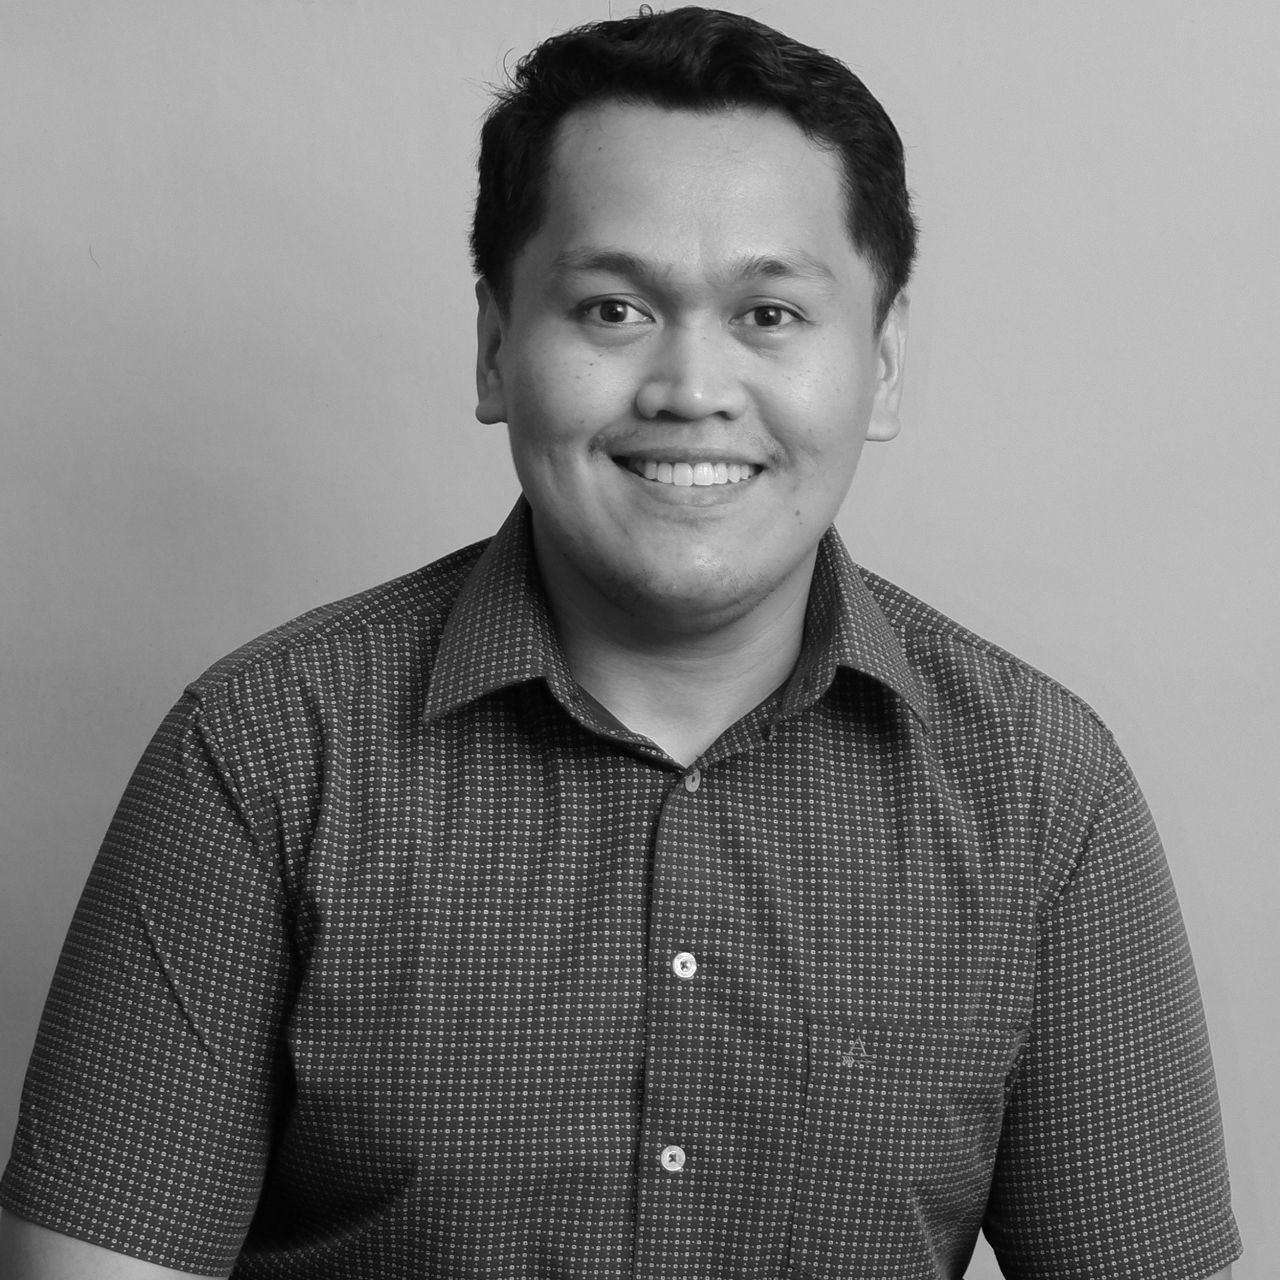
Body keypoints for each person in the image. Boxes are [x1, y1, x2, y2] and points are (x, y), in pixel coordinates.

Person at [0, 6, 1242, 1278]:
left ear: (880, 362)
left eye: (769, 313)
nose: (690, 387)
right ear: (496, 346)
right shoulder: (264, 750)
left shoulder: (1041, 789)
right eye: (611, 308)